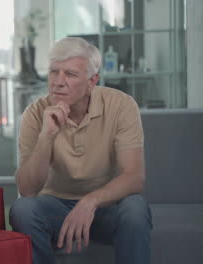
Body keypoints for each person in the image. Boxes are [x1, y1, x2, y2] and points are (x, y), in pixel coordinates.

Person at [9, 37, 152, 264]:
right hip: (55, 207)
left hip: (104, 207)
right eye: (54, 72)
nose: (58, 81)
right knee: (22, 209)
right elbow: (27, 189)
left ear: (92, 81)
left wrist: (90, 201)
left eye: (70, 74)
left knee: (135, 208)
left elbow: (134, 177)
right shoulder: (34, 114)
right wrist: (46, 136)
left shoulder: (122, 105)